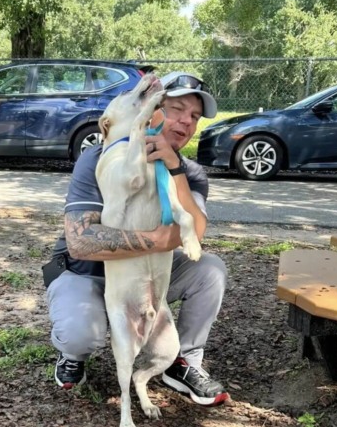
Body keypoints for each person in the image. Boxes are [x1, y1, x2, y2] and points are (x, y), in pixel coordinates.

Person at [45, 72, 229, 406]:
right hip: (85, 272)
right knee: (79, 333)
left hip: (144, 272)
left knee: (210, 270)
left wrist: (174, 167)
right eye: (176, 109)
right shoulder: (101, 158)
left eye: (194, 116)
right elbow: (81, 241)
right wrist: (159, 239)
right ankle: (72, 354)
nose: (186, 122)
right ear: (151, 109)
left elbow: (196, 234)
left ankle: (183, 360)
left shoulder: (190, 172)